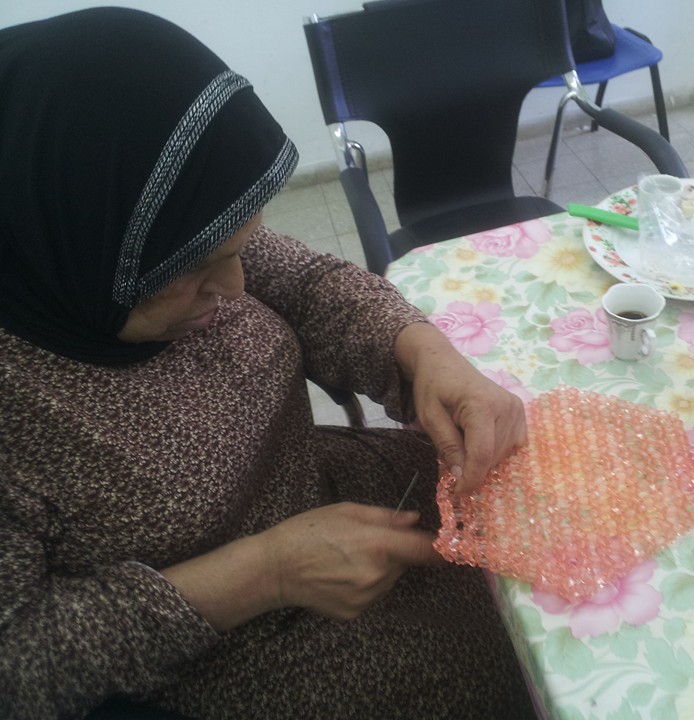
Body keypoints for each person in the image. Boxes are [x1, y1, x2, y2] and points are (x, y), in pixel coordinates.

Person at [0, 8, 535, 720]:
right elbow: (17, 665)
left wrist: (427, 352)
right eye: (191, 272)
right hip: (234, 646)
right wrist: (266, 572)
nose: (235, 288)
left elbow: (309, 285)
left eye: (235, 250)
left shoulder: (156, 227)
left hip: (336, 491)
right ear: (69, 248)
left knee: (544, 531)